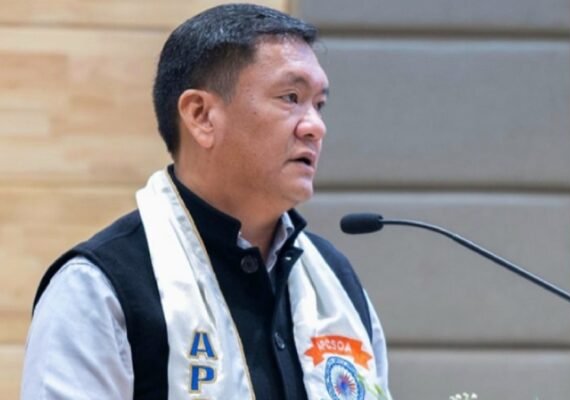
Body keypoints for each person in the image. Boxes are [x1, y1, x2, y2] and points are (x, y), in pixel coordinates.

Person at [21, 4, 391, 399]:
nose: (315, 127)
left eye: (319, 105)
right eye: (290, 97)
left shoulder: (336, 281)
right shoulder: (98, 288)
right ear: (201, 115)